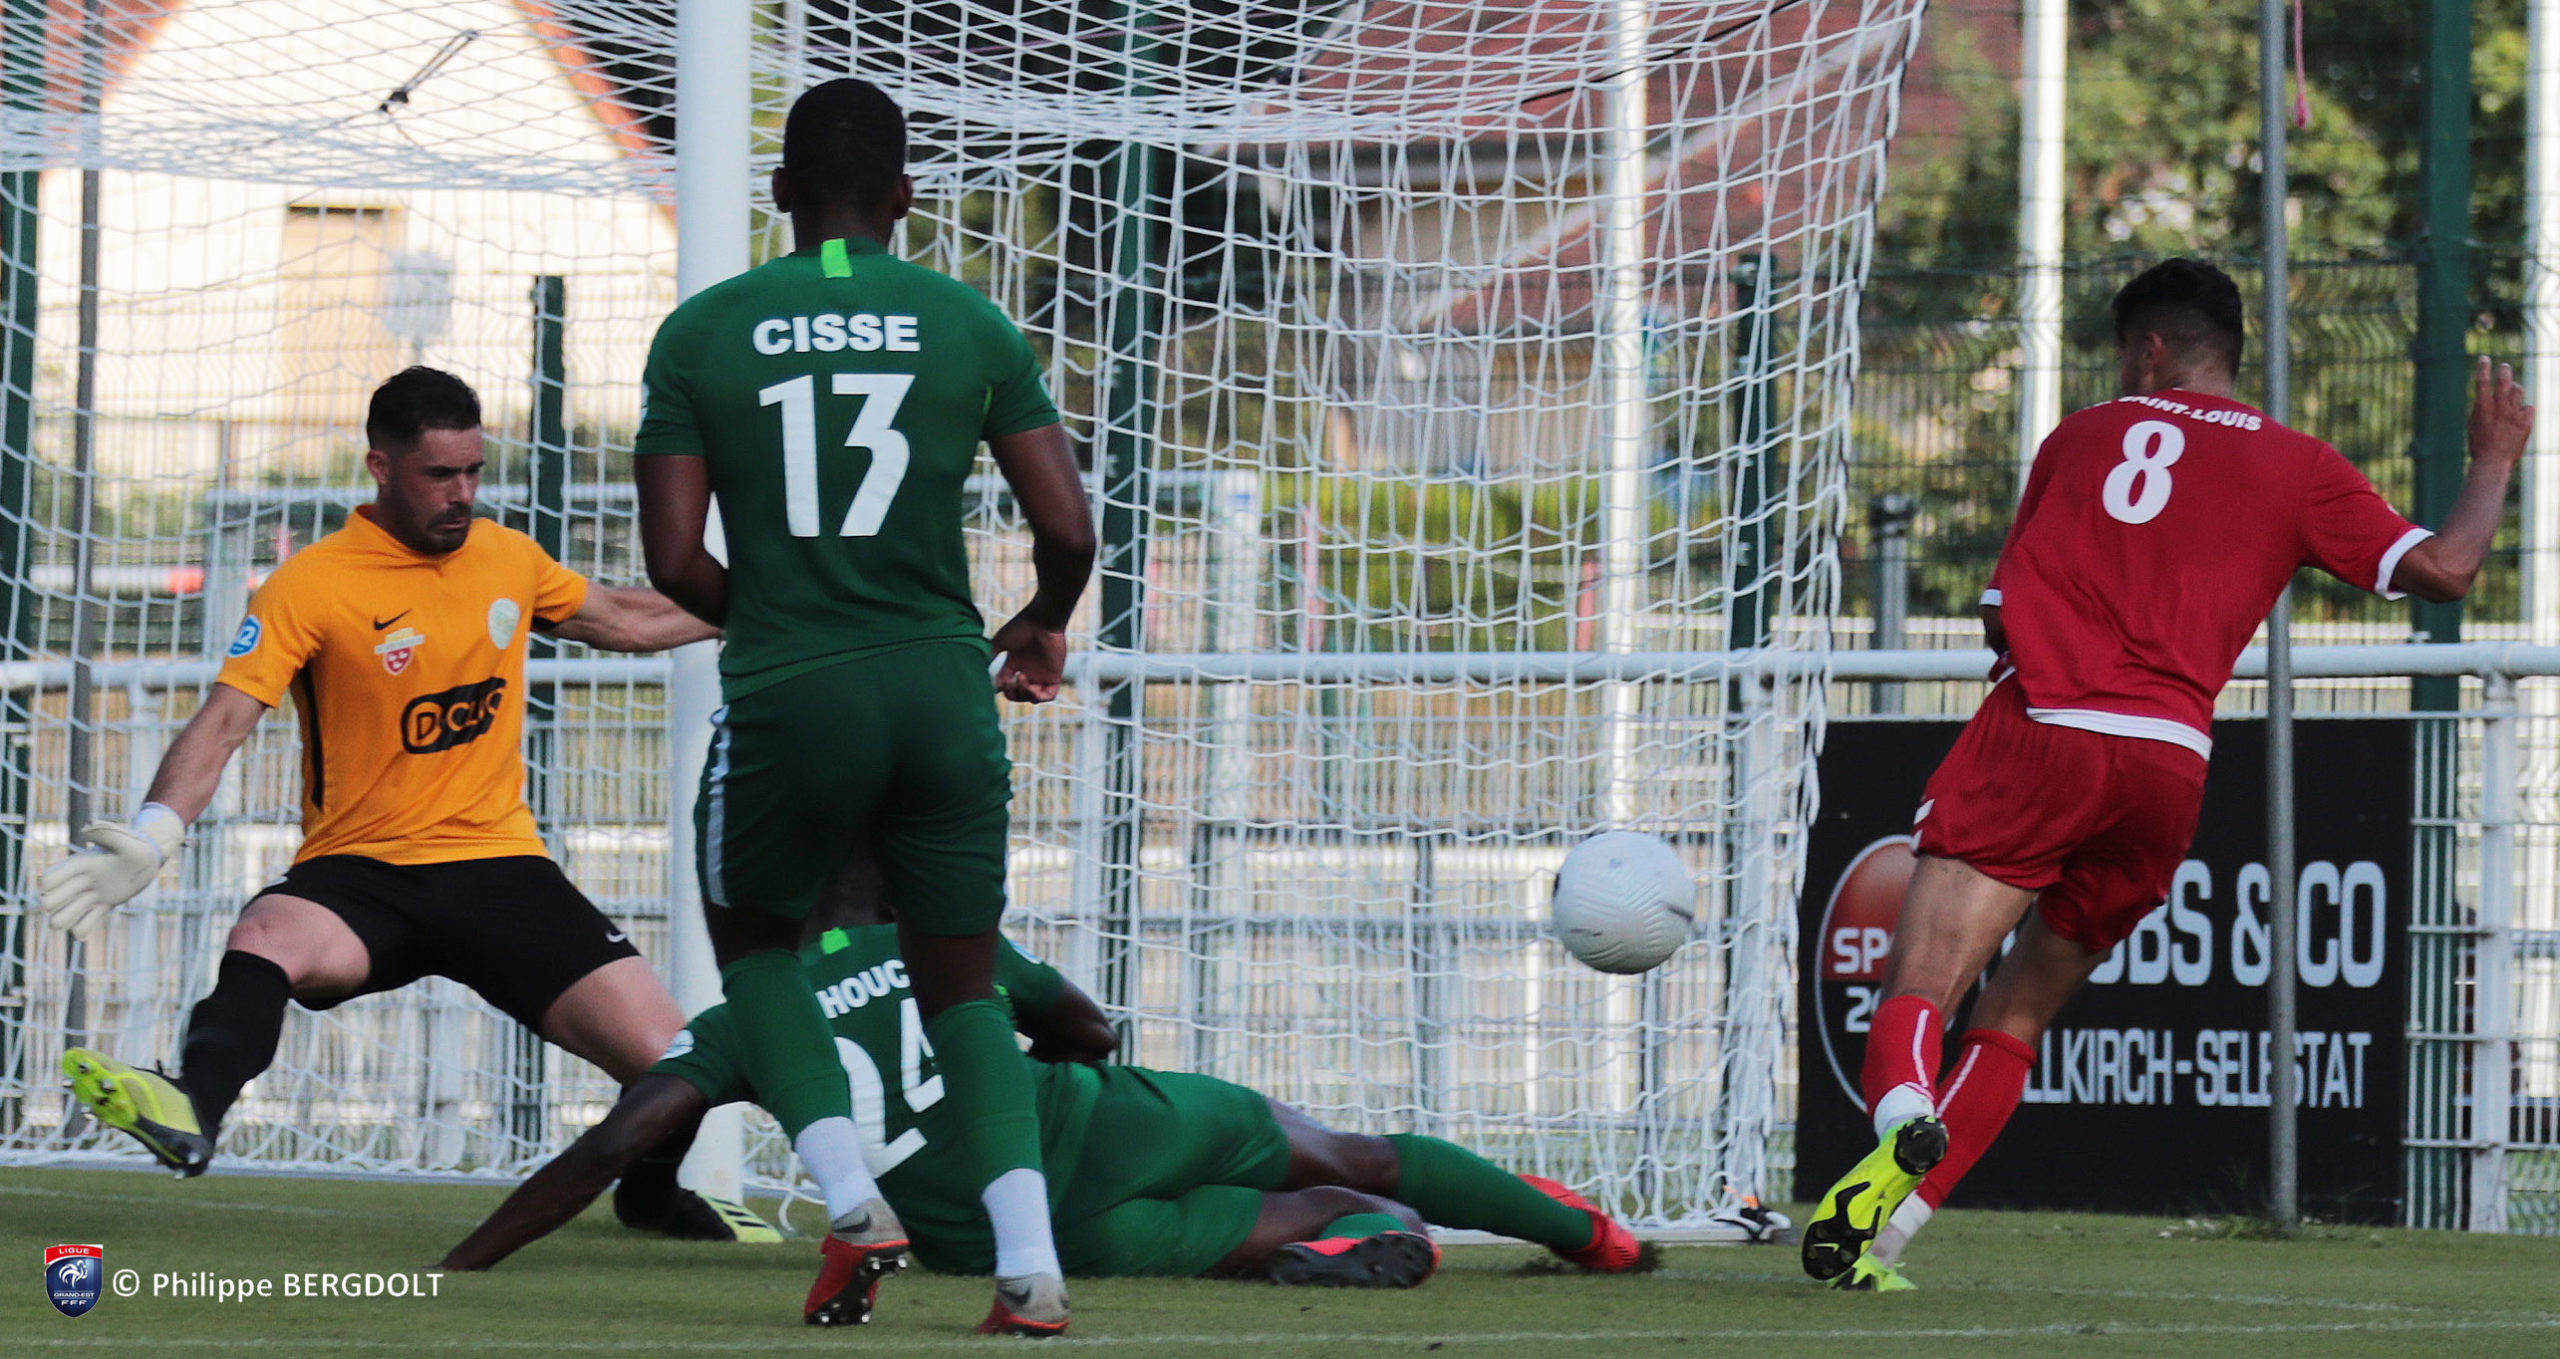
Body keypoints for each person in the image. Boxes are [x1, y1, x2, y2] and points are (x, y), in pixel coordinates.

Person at [1802, 258, 2534, 1291]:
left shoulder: (2080, 439)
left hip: (2044, 730)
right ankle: (1885, 1235)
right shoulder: (2297, 463)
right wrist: (2493, 457)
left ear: (2148, 350)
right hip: (2166, 766)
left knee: (1923, 980)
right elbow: (2447, 571)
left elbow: (2000, 616)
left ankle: (1903, 1118)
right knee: (2019, 1013)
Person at [45, 368, 749, 1239]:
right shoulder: (311, 583)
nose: (463, 494)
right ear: (381, 466)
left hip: (499, 867)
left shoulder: (506, 556)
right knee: (265, 933)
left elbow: (627, 620)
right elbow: (222, 723)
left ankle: (648, 1197)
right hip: (360, 873)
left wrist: (779, 599)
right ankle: (193, 1105)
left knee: (676, 1060)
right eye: (439, 475)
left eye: (474, 471)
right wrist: (155, 833)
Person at [632, 78, 1095, 1334]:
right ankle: (1029, 1267)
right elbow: (1068, 529)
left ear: (780, 192)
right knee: (962, 986)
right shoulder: (970, 321)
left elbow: (673, 563)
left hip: (791, 688)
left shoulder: (702, 330)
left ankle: (851, 1204)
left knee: (757, 947)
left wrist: (787, 614)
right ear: (905, 195)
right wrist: (1040, 620)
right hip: (943, 688)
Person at [438, 846, 1646, 1296]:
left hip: (1018, 1234)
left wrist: (462, 1267)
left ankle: (1356, 1240)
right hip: (1104, 1124)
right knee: (1355, 1159)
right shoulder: (938, 945)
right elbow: (1090, 1030)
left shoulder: (749, 1015)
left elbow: (617, 1140)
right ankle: (1594, 1242)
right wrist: (1036, 1052)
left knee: (1292, 1220)